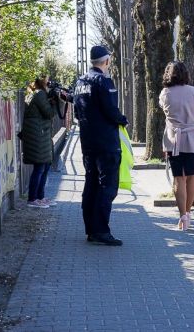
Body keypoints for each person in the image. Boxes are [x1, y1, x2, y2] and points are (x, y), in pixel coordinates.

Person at [73, 45, 128, 246]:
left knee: (91, 184)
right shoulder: (103, 81)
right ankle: (101, 231)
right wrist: (123, 120)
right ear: (106, 61)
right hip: (106, 143)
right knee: (107, 186)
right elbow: (111, 110)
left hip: (88, 142)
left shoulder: (80, 82)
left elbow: (77, 113)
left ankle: (91, 229)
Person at [160, 62, 194, 231]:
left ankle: (182, 215)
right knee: (191, 177)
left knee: (178, 178)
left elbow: (165, 112)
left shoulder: (165, 93)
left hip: (174, 139)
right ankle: (188, 213)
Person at [21, 75, 58, 209]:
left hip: (37, 135)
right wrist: (54, 103)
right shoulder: (40, 94)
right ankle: (33, 198)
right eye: (47, 79)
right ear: (41, 81)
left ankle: (40, 197)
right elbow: (48, 113)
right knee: (40, 167)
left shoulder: (32, 93)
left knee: (44, 166)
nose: (49, 82)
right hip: (38, 135)